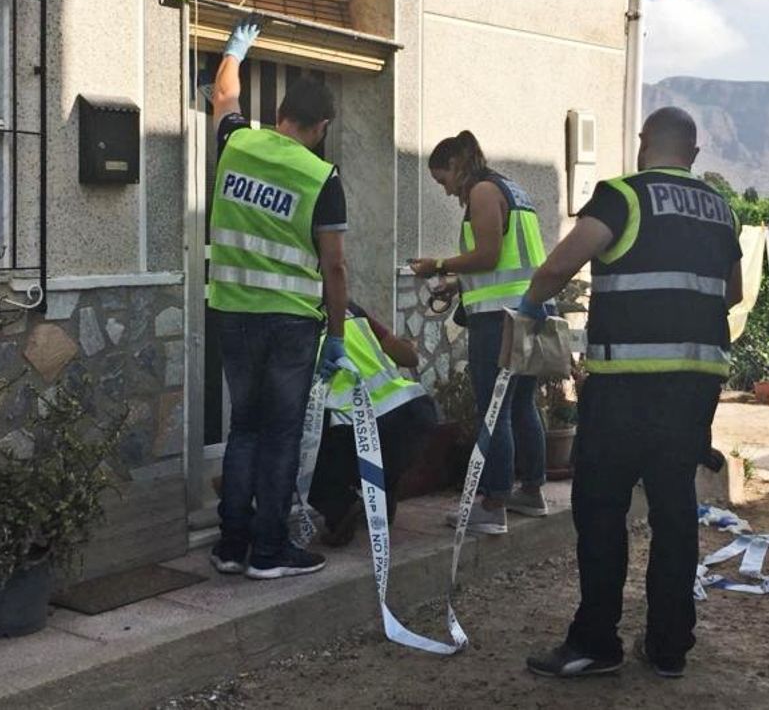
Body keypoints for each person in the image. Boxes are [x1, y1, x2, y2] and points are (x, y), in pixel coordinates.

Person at [521, 107, 744, 680]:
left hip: (624, 390)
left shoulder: (621, 196)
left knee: (600, 511)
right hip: (694, 391)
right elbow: (732, 291)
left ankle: (596, 641)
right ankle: (670, 646)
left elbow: (559, 265)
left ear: (644, 145)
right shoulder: (722, 210)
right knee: (674, 512)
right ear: (693, 154)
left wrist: (531, 305)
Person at [208, 14, 350, 580]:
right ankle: (269, 553)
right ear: (319, 127)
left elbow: (223, 93)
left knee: (243, 427)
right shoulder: (321, 176)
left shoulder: (238, 143)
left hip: (232, 314)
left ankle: (230, 547)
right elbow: (334, 266)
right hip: (290, 325)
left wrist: (235, 50)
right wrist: (338, 338)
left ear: (279, 116)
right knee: (279, 434)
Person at [409, 131, 548, 535]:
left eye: (443, 180)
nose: (448, 191)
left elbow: (487, 254)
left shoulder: (484, 192)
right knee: (522, 404)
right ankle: (532, 491)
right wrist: (457, 285)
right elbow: (504, 260)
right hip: (526, 310)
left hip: (499, 319)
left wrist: (437, 265)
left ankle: (492, 503)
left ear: (456, 165)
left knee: (494, 408)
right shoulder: (512, 189)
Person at [307, 303, 437, 547]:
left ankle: (340, 507)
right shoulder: (350, 310)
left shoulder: (294, 322)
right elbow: (408, 357)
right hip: (413, 414)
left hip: (357, 430)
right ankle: (380, 502)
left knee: (289, 438)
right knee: (384, 434)